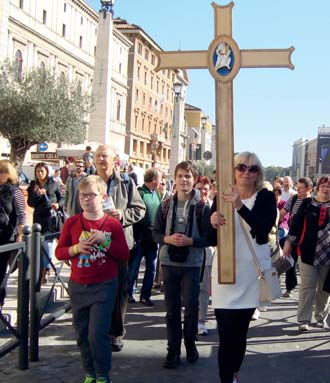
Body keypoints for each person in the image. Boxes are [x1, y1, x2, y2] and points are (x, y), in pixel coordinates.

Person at [209, 152, 277, 383]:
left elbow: (262, 229)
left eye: (253, 168)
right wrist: (211, 222)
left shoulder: (266, 197)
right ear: (234, 170)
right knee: (225, 334)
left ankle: (233, 372)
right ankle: (227, 379)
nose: (246, 172)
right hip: (225, 274)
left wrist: (239, 206)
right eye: (241, 167)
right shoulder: (221, 196)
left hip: (251, 276)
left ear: (259, 173)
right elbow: (210, 238)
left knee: (238, 334)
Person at [56, 175, 129, 383]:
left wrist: (105, 242)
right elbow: (60, 252)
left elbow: (124, 254)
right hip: (78, 285)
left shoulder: (112, 224)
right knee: (81, 335)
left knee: (97, 334)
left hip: (105, 284)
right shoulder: (72, 222)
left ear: (103, 196)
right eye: (82, 195)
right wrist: (76, 248)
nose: (86, 199)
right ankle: (90, 373)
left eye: (91, 195)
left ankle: (103, 375)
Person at [153, 161, 210, 369]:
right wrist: (167, 239)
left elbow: (210, 239)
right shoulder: (166, 204)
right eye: (180, 176)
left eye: (188, 176)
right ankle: (173, 350)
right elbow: (156, 233)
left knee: (191, 307)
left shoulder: (202, 207)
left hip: (192, 264)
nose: (184, 180)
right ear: (174, 179)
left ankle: (190, 345)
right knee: (171, 308)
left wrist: (190, 241)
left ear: (194, 179)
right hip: (169, 262)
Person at [93, 144, 146, 352]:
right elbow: (75, 209)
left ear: (114, 160)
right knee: (95, 288)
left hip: (119, 244)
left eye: (104, 156)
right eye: (98, 156)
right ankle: (96, 330)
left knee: (120, 291)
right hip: (92, 244)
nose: (100, 159)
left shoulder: (126, 182)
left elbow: (139, 209)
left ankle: (115, 333)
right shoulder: (87, 182)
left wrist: (123, 215)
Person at [283, 175, 330, 332]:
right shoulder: (307, 203)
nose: (326, 188)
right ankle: (303, 319)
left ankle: (321, 317)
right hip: (307, 251)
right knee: (308, 286)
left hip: (328, 253)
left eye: (329, 186)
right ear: (317, 187)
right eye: (323, 185)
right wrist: (289, 242)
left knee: (324, 288)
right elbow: (295, 225)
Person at [127, 168, 161, 305]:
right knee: (134, 266)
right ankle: (128, 293)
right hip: (140, 236)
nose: (160, 182)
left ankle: (145, 295)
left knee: (151, 267)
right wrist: (133, 237)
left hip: (153, 238)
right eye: (159, 179)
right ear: (154, 180)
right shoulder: (140, 193)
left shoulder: (156, 194)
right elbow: (133, 215)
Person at [27, 162, 63, 284]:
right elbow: (30, 203)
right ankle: (40, 268)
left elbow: (62, 198)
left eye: (42, 171)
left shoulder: (53, 183)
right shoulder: (33, 185)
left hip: (51, 218)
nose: (39, 173)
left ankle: (46, 268)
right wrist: (37, 194)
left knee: (47, 244)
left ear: (47, 172)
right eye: (37, 171)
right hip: (38, 218)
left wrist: (58, 204)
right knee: (39, 244)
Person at [279, 177, 313, 297]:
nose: (298, 190)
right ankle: (290, 287)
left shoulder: (313, 202)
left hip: (307, 238)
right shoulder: (293, 199)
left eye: (301, 188)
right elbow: (282, 213)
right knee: (290, 261)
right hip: (293, 235)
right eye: (297, 188)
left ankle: (307, 291)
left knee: (306, 267)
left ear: (309, 188)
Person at [0, 160, 26, 309]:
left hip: (6, 236)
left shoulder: (15, 191)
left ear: (8, 174)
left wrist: (20, 235)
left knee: (0, 270)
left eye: (1, 172)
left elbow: (22, 214)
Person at [194, 176, 215, 336]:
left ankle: (201, 321)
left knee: (204, 289)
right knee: (190, 288)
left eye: (205, 189)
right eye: (199, 188)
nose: (202, 192)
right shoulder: (190, 205)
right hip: (190, 253)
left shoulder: (212, 207)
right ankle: (191, 317)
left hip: (207, 252)